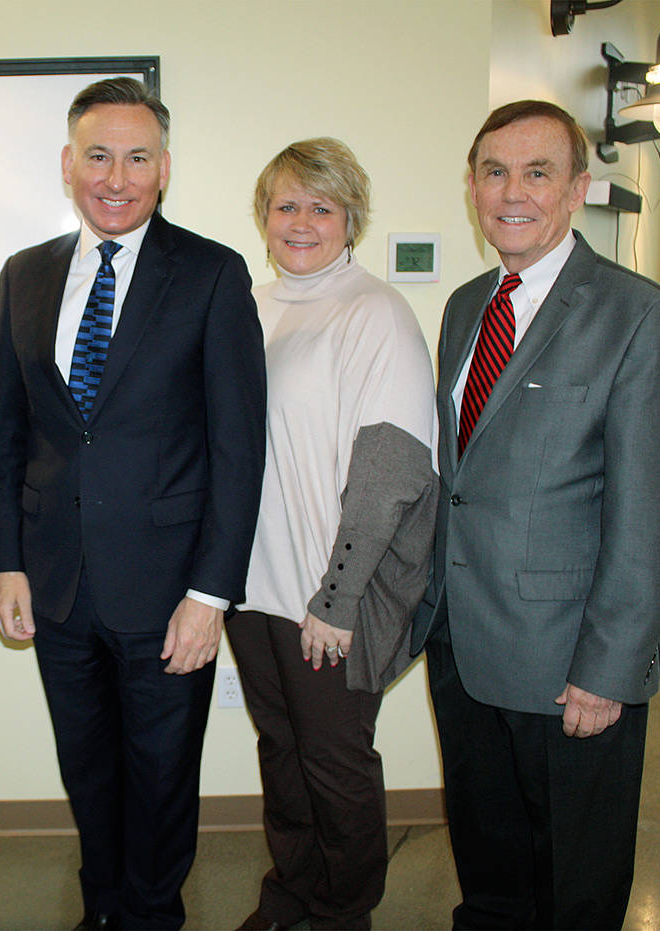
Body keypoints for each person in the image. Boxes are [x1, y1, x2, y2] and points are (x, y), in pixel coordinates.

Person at [410, 100, 660, 930]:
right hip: (465, 645)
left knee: (577, 882)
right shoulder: (467, 305)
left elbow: (652, 514)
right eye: (494, 171)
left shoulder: (642, 317)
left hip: (571, 663)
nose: (513, 192)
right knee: (490, 866)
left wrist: (608, 668)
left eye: (538, 172)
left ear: (577, 189)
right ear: (471, 185)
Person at [0, 77, 266, 930]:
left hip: (169, 590)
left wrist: (210, 596)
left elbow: (238, 448)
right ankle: (101, 906)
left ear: (165, 168)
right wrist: (5, 561)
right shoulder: (25, 274)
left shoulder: (213, 274)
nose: (117, 176)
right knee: (89, 769)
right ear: (69, 165)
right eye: (98, 155)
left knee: (160, 774)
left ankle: (152, 915)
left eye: (137, 157)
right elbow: (5, 430)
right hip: (56, 583)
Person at [229, 138, 438, 931]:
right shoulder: (252, 304)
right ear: (264, 215)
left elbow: (392, 469)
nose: (302, 220)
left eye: (321, 205)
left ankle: (344, 912)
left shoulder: (373, 310)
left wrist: (339, 596)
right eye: (287, 204)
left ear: (350, 217)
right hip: (253, 590)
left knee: (336, 764)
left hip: (327, 597)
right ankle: (290, 895)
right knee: (282, 755)